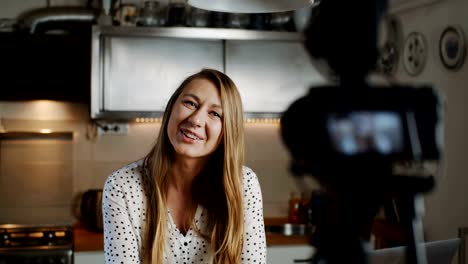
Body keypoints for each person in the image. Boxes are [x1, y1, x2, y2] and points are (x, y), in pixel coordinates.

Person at [102, 68, 267, 264]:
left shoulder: (243, 184)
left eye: (215, 113)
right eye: (190, 103)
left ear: (227, 130)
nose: (196, 120)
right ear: (171, 108)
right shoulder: (122, 186)